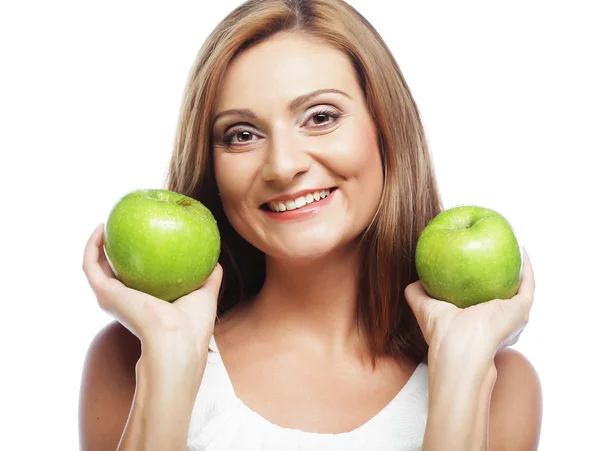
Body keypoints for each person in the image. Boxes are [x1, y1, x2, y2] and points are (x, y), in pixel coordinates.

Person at [79, 0, 543, 450]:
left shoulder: (501, 387)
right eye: (242, 134)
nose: (282, 165)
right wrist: (169, 360)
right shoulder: (130, 361)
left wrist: (462, 371)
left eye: (320, 117)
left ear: (386, 129)